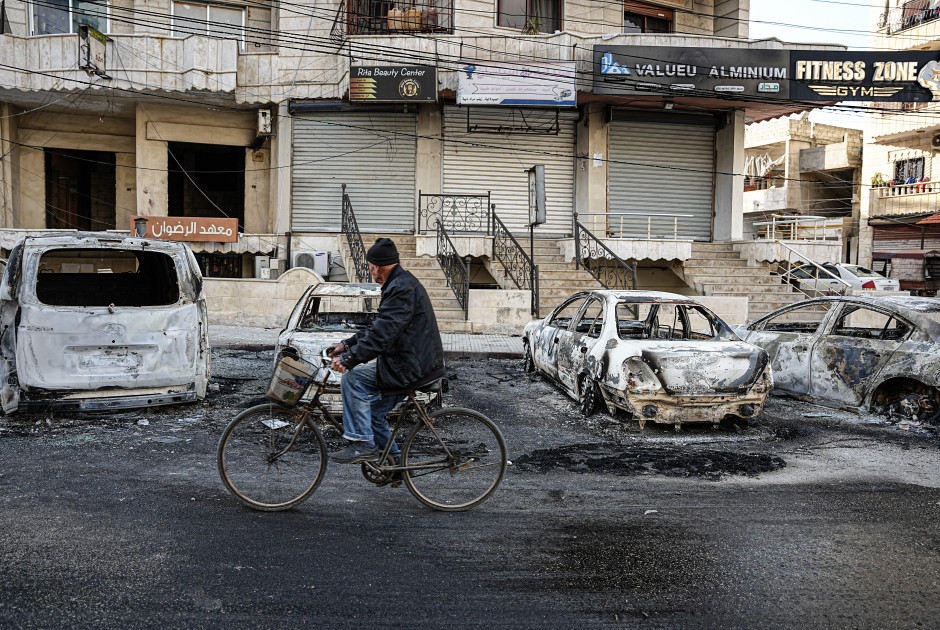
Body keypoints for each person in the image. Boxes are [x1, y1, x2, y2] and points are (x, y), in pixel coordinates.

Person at [328, 237, 445, 464]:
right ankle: (394, 463)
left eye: (370, 267)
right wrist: (347, 344)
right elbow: (379, 326)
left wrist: (349, 360)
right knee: (371, 414)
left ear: (377, 267)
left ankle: (362, 443)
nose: (371, 272)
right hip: (411, 362)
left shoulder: (401, 288)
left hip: (410, 367)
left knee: (353, 380)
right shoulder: (400, 283)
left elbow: (382, 335)